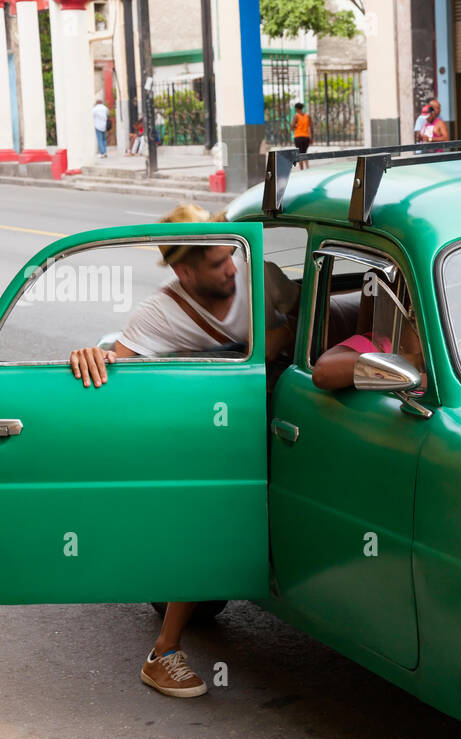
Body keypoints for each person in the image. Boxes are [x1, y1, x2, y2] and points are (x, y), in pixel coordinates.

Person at [67, 204, 301, 698]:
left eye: (231, 256)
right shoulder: (161, 311)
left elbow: (298, 319)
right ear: (184, 271)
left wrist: (267, 346)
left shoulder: (258, 272)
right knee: (206, 515)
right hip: (220, 420)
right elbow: (118, 362)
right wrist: (89, 355)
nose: (232, 268)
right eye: (218, 263)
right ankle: (163, 653)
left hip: (283, 400)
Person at [290, 102, 311, 169]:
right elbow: (311, 128)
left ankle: (302, 169)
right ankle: (307, 168)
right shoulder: (307, 116)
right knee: (305, 152)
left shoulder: (296, 116)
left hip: (298, 137)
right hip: (306, 137)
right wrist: (311, 138)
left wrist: (294, 126)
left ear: (296, 108)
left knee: (300, 154)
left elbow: (291, 127)